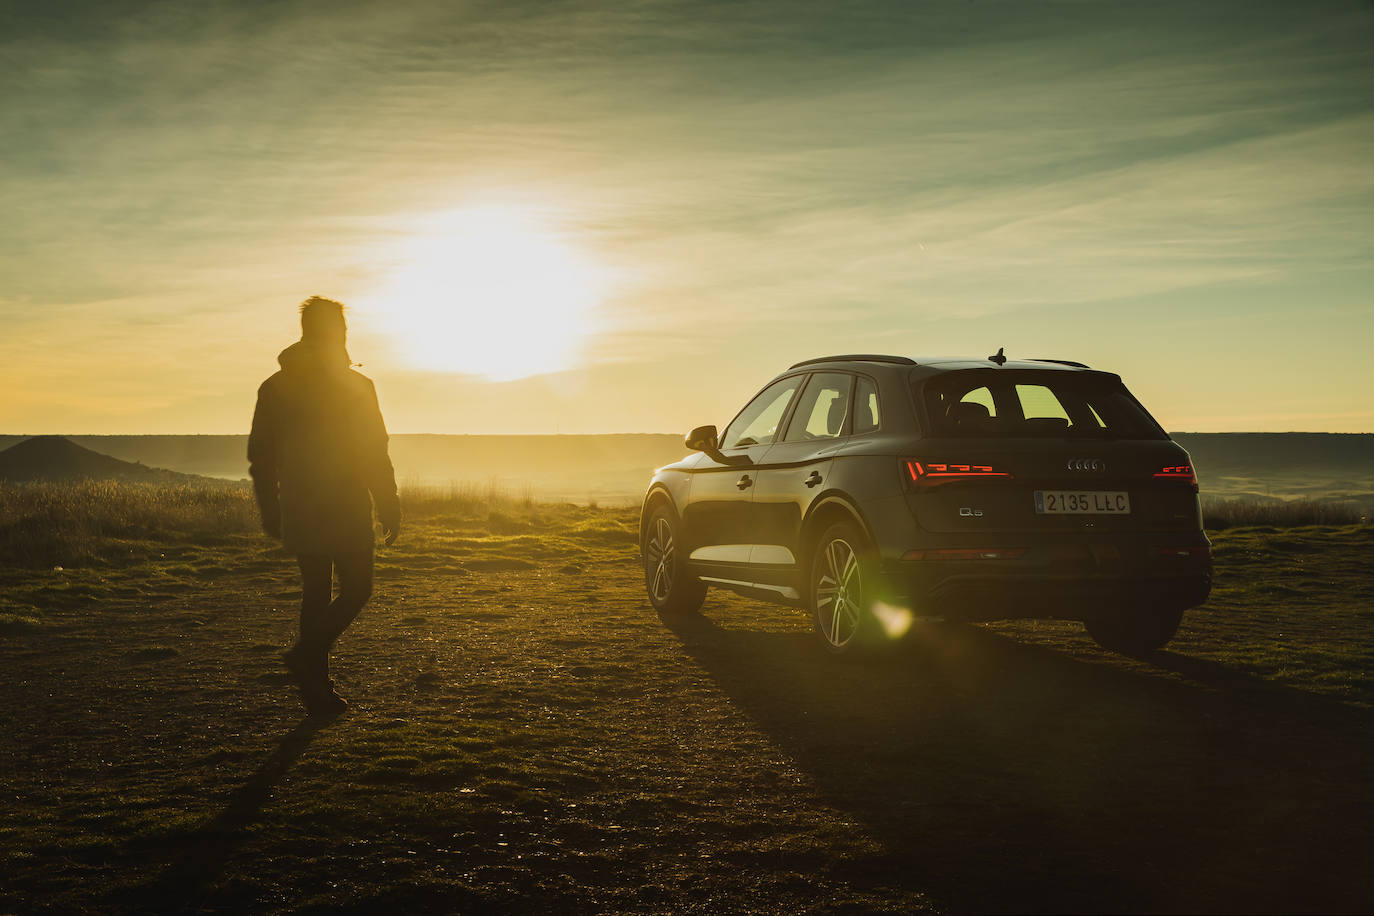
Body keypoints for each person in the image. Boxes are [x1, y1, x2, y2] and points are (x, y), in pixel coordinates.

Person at [248, 296, 400, 716]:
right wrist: (388, 503)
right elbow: (375, 451)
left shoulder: (276, 385)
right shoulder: (357, 386)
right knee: (357, 589)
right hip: (346, 499)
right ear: (339, 332)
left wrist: (271, 507)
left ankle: (316, 688)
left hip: (300, 500)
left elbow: (261, 456)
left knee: (316, 592)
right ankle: (308, 662)